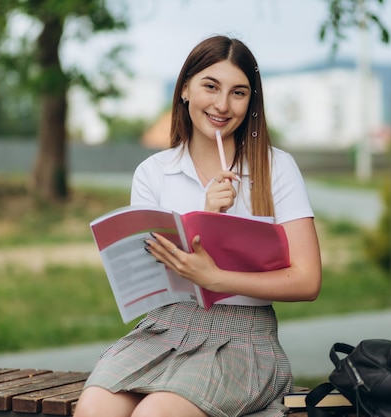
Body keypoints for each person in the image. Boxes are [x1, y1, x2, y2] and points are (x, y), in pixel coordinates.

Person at [74, 35, 322, 417]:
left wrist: (218, 278)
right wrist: (202, 215)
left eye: (238, 92)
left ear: (251, 102)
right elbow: (150, 277)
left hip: (243, 339)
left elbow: (308, 281)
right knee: (94, 408)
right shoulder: (154, 173)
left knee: (154, 414)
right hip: (164, 329)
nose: (222, 104)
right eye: (210, 86)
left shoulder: (276, 168)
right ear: (185, 88)